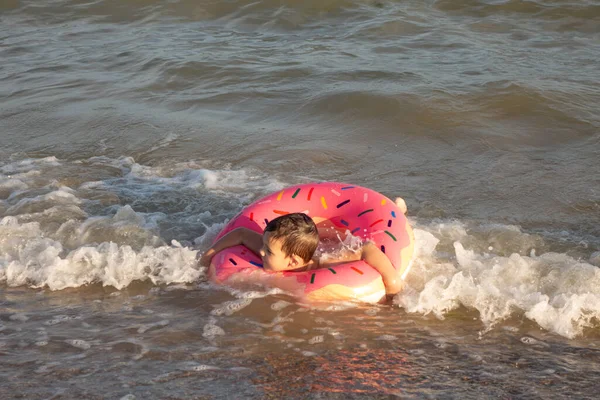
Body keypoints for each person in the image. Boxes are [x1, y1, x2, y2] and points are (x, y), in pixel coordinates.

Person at [199, 198, 408, 300]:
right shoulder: (270, 249)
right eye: (264, 246)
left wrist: (392, 279)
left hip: (336, 243)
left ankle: (397, 210)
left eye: (268, 251)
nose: (261, 252)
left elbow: (366, 248)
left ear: (292, 263)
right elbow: (241, 233)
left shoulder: (325, 262)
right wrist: (208, 256)